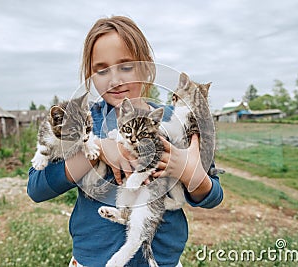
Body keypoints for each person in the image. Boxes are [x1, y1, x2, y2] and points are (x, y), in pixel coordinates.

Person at [27, 15, 223, 267]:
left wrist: (188, 171)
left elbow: (213, 194)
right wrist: (98, 150)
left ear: (146, 67)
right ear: (90, 75)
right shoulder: (84, 123)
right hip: (92, 261)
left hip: (162, 261)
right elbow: (36, 187)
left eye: (126, 66)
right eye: (102, 70)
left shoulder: (177, 125)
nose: (115, 79)